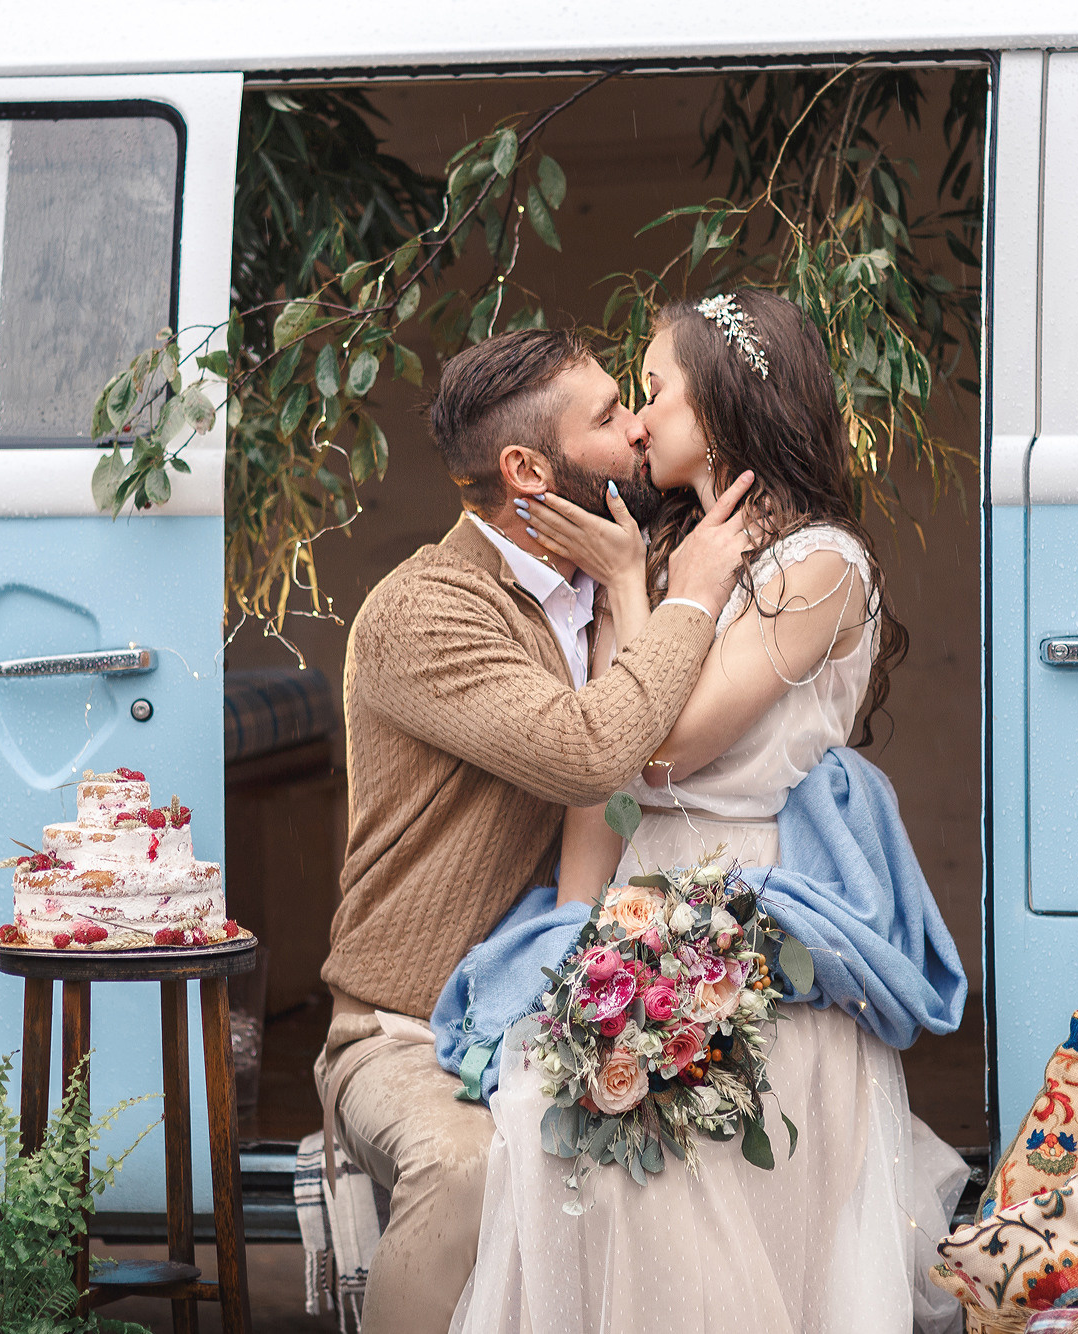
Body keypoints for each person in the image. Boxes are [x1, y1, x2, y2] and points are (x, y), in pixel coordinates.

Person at [454, 291, 967, 1334]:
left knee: (723, 1228)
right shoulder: (669, 551)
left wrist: (636, 591)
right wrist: (570, 929)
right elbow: (609, 766)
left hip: (747, 924)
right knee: (590, 1182)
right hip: (644, 906)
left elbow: (668, 739)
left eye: (652, 393)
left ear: (726, 409)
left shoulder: (818, 566)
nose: (635, 422)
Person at [315, 326, 756, 1334]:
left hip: (569, 1001)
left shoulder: (616, 581)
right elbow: (590, 755)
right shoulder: (423, 611)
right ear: (527, 468)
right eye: (608, 417)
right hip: (406, 1028)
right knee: (473, 1168)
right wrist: (685, 594)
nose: (639, 427)